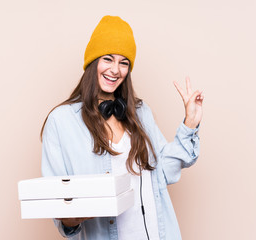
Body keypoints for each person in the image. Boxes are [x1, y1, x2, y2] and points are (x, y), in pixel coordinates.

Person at [40, 15, 204, 240]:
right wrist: (74, 215)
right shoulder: (61, 122)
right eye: (108, 59)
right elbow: (58, 207)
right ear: (92, 62)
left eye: (124, 62)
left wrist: (190, 123)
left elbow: (164, 172)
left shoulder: (140, 112)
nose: (115, 70)